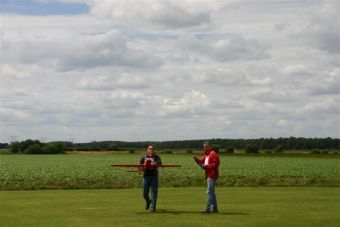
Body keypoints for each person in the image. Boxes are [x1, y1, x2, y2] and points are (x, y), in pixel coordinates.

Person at [193, 141, 220, 213]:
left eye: (206, 146)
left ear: (209, 147)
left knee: (209, 192)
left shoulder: (213, 154)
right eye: (204, 147)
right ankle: (214, 208)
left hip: (212, 175)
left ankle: (207, 208)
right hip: (209, 175)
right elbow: (200, 161)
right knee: (212, 192)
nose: (205, 148)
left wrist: (206, 166)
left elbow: (216, 164)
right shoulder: (206, 155)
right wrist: (196, 159)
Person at [140, 145, 162, 212]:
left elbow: (160, 163)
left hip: (154, 176)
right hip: (146, 176)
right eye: (150, 149)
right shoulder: (143, 157)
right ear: (147, 150)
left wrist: (155, 163)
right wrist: (142, 167)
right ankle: (148, 201)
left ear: (154, 150)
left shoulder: (156, 157)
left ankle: (153, 207)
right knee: (144, 193)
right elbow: (139, 167)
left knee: (154, 192)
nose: (151, 150)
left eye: (152, 149)